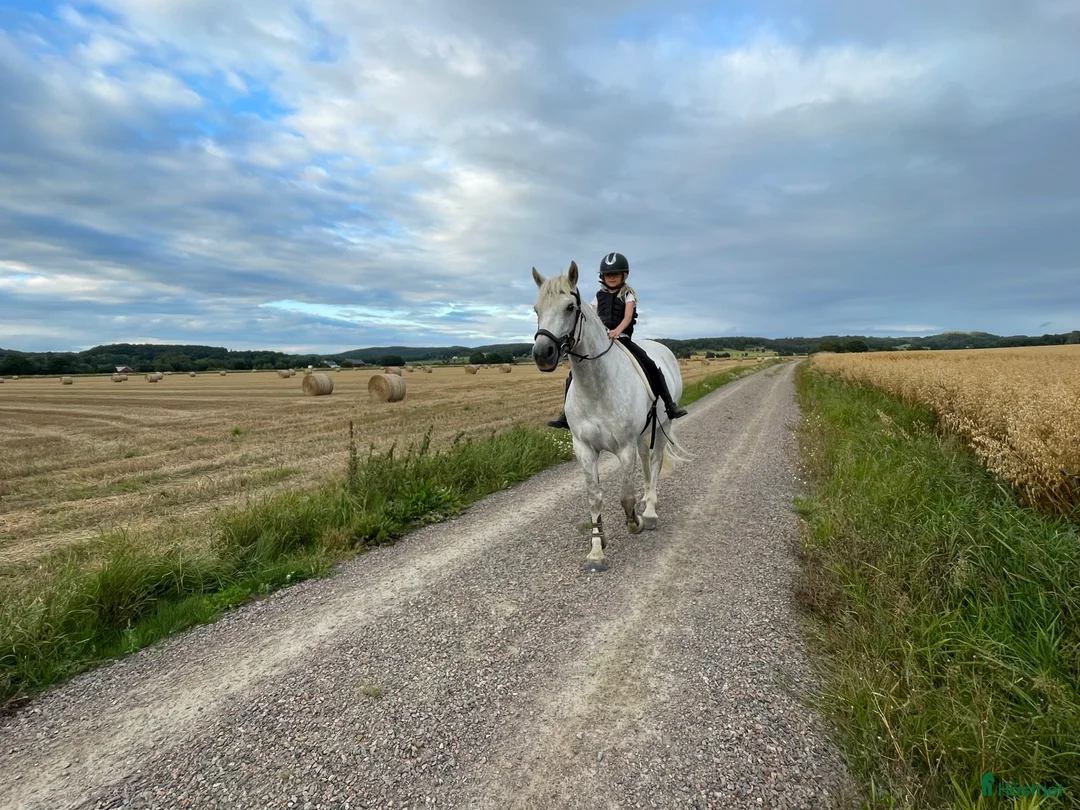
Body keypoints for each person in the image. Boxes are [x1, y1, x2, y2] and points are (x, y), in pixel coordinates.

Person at [548, 252, 688, 429]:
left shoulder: (628, 294)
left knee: (649, 364)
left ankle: (670, 405)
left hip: (622, 339)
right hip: (602, 341)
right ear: (602, 277)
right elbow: (590, 316)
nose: (612, 277)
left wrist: (617, 331)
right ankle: (567, 414)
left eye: (616, 274)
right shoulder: (597, 296)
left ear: (624, 276)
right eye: (608, 274)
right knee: (573, 374)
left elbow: (628, 317)